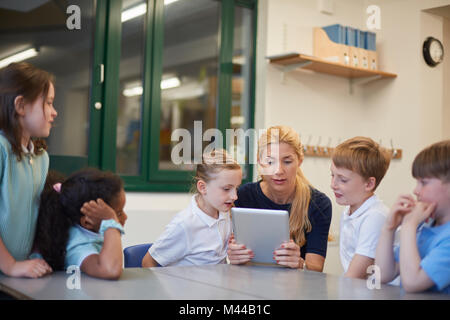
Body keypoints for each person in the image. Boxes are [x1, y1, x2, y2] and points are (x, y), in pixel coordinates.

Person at [228, 126, 332, 271]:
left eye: (287, 162)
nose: (279, 171)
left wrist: (300, 264)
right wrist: (234, 254)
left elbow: (316, 268)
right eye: (270, 162)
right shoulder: (243, 196)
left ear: (300, 161)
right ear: (259, 161)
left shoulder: (318, 203)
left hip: (295, 288)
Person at [0, 62, 57, 278]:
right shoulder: (1, 148)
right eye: (49, 103)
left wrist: (34, 255)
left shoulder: (41, 158)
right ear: (20, 106)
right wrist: (11, 265)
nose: (54, 112)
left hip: (15, 274)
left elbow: (33, 216)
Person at [142, 149, 242, 267]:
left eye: (236, 188)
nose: (234, 196)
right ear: (202, 187)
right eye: (226, 189)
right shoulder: (183, 224)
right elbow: (148, 262)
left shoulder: (226, 214)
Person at [376, 140, 450, 294]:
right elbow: (382, 275)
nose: (415, 190)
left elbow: (412, 282)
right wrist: (389, 228)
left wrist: (409, 225)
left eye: (424, 183)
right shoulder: (426, 226)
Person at [33, 168, 128, 280]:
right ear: (87, 222)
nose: (125, 217)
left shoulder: (87, 233)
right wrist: (111, 223)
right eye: (118, 213)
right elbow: (110, 270)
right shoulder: (78, 245)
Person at [330, 137, 391, 279]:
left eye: (343, 179)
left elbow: (355, 276)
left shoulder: (375, 217)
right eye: (332, 175)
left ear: (369, 184)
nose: (333, 184)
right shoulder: (349, 212)